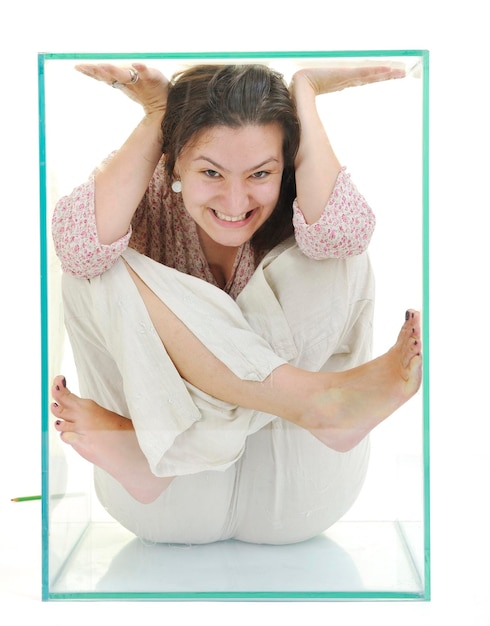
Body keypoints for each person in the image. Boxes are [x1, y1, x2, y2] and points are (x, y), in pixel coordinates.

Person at [50, 61, 421, 545]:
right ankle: (315, 401)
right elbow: (77, 247)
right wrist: (157, 112)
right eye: (210, 172)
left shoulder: (302, 201)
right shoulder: (147, 194)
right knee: (91, 264)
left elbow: (343, 233)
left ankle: (311, 409)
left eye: (261, 173)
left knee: (339, 250)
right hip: (165, 494)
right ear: (172, 160)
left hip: (293, 487)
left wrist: (304, 91)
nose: (235, 199)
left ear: (284, 164)